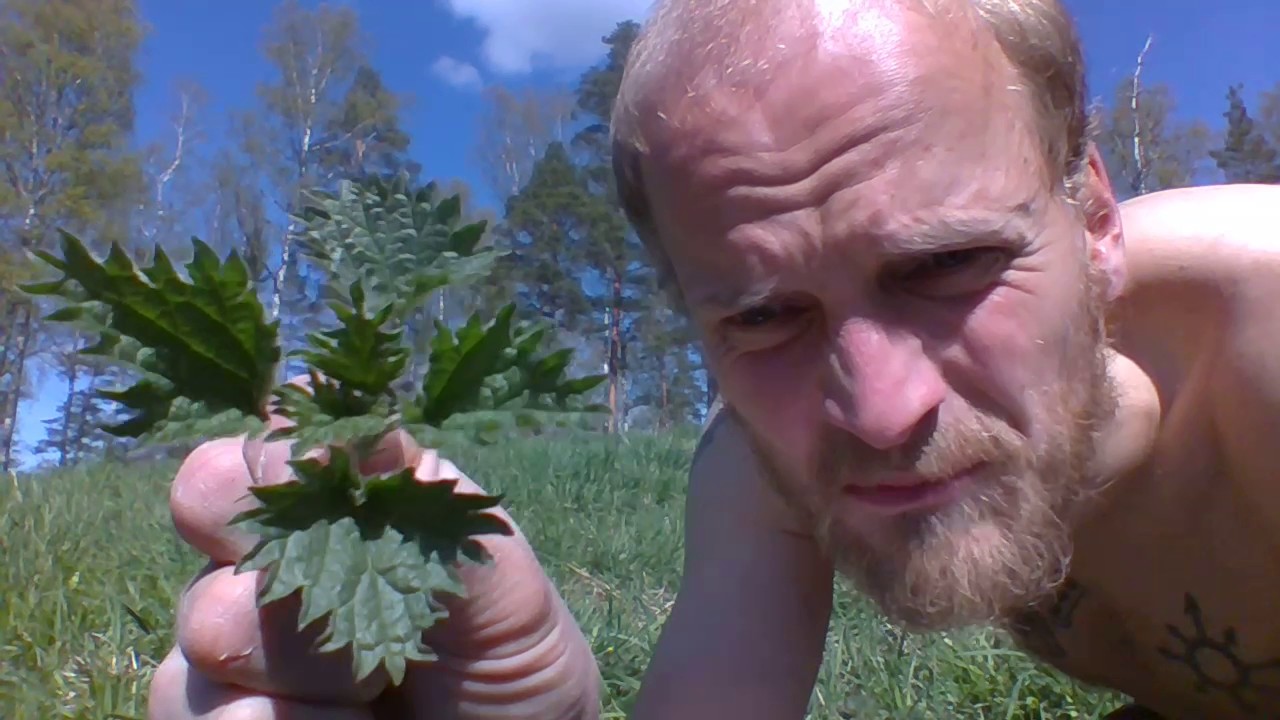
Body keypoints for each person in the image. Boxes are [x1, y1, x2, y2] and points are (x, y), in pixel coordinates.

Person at [146, 0, 1280, 718]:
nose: (878, 411)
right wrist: (538, 704)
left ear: (1090, 220)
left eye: (945, 268)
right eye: (763, 319)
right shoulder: (766, 469)